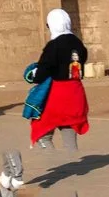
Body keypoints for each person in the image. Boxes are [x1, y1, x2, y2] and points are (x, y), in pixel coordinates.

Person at [28, 9, 91, 154]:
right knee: (69, 132)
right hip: (76, 92)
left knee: (43, 132)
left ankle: (54, 161)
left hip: (57, 92)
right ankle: (73, 162)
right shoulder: (78, 43)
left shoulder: (54, 45)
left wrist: (34, 75)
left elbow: (42, 72)